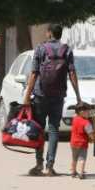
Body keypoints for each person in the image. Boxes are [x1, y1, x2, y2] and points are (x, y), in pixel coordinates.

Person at [23, 24, 81, 177]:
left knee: (39, 129)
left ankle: (38, 164)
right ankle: (50, 167)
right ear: (60, 34)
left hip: (41, 95)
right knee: (54, 129)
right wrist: (78, 96)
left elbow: (34, 73)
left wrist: (27, 96)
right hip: (58, 95)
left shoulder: (40, 49)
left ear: (49, 33)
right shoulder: (67, 50)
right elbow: (72, 73)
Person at [70, 102, 93, 180]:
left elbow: (75, 115)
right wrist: (92, 139)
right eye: (88, 111)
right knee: (82, 158)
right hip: (82, 143)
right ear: (82, 112)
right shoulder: (86, 122)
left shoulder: (75, 119)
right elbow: (90, 133)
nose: (89, 113)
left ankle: (73, 172)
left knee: (74, 158)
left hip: (73, 143)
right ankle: (81, 173)